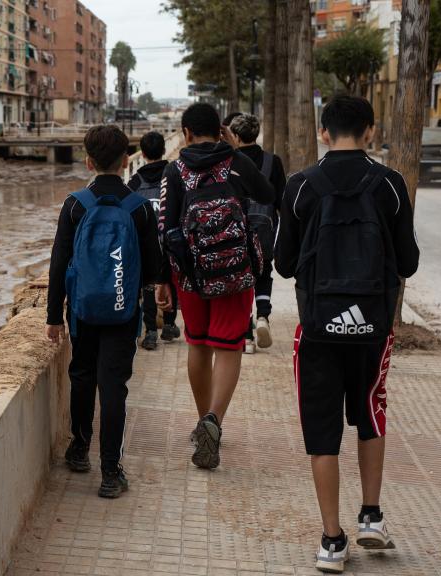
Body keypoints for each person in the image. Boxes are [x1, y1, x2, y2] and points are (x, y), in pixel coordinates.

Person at [274, 95, 419, 574]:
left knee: (322, 433)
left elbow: (285, 263)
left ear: (322, 133)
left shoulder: (299, 187)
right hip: (373, 329)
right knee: (370, 414)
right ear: (370, 132)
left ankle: (332, 542)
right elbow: (410, 262)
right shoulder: (391, 185)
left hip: (318, 329)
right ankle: (371, 518)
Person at [155, 103, 274, 470]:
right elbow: (267, 195)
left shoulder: (175, 170)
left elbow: (166, 226)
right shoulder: (236, 163)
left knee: (199, 343)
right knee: (228, 346)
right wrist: (235, 152)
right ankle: (214, 420)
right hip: (236, 271)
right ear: (221, 130)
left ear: (186, 133)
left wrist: (164, 280)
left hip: (190, 273)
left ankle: (200, 419)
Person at [47, 125, 161, 498]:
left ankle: (79, 450)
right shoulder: (140, 208)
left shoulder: (75, 204)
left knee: (82, 376)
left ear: (88, 161)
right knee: (114, 387)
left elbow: (59, 262)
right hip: (123, 311)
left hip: (82, 310)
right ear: (128, 160)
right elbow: (152, 268)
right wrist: (156, 301)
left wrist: (52, 315)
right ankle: (110, 473)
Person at [225, 113, 288, 354]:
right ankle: (263, 316)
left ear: (237, 136)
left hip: (236, 230)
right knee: (263, 273)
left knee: (240, 281)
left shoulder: (230, 161)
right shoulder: (273, 161)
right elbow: (281, 200)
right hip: (265, 229)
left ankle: (246, 337)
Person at [127, 130, 180, 351]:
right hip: (170, 239)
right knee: (170, 281)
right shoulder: (174, 175)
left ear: (143, 152)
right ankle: (168, 324)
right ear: (163, 150)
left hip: (144, 242)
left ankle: (149, 331)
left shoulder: (135, 181)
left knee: (149, 284)